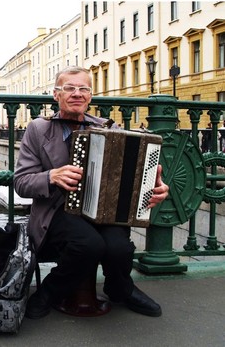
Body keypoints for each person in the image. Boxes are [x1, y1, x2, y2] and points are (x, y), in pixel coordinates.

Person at [14, 66, 169, 319]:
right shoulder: (38, 129)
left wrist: (154, 187)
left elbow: (133, 173)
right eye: (70, 88)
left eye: (83, 89)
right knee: (88, 245)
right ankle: (50, 291)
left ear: (90, 96)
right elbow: (21, 182)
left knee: (119, 247)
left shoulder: (109, 127)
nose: (77, 93)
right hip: (58, 210)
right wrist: (51, 176)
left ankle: (121, 289)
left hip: (103, 210)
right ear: (56, 95)